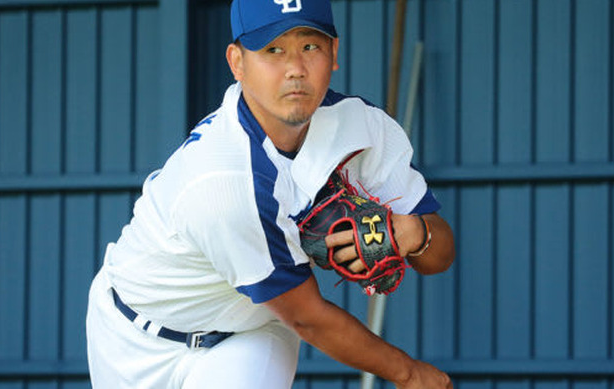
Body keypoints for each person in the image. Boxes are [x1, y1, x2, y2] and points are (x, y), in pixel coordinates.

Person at [86, 0, 456, 387]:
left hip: (252, 330)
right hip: (135, 338)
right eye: (273, 50)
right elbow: (307, 317)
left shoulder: (360, 128)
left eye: (310, 46)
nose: (295, 69)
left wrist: (415, 233)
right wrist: (410, 374)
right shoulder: (224, 177)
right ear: (237, 62)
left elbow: (439, 255)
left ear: (334, 53)